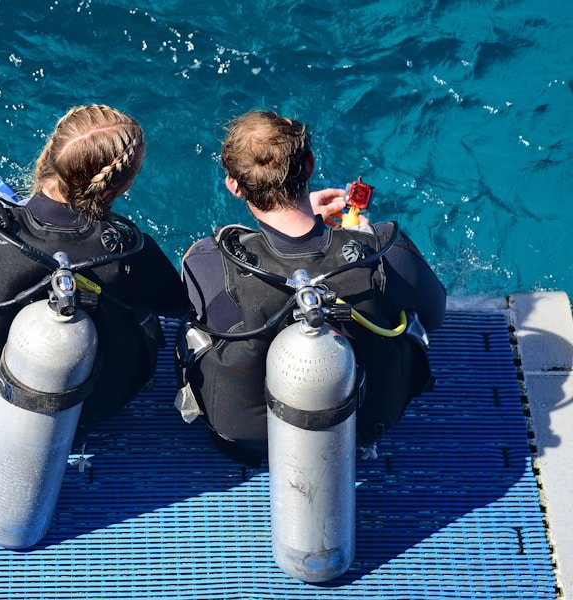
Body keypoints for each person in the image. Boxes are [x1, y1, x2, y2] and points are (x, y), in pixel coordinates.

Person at [0, 104, 188, 444]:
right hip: (84, 415)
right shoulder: (129, 250)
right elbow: (178, 305)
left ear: (50, 153)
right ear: (119, 188)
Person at [178, 110, 447, 465]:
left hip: (248, 442)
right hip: (365, 422)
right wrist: (355, 238)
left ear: (234, 185)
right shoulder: (385, 251)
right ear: (309, 164)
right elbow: (435, 312)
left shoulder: (210, 261)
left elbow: (181, 297)